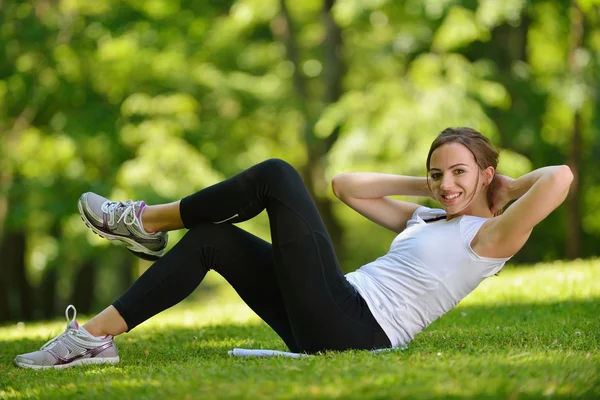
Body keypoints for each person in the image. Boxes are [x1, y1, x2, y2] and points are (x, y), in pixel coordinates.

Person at [14, 127, 573, 369]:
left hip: (358, 330)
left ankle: (142, 220)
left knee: (278, 176)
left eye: (459, 173)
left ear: (486, 175)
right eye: (438, 173)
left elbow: (561, 177)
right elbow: (346, 185)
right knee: (213, 239)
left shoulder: (491, 238)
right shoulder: (428, 213)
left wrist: (503, 188)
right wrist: (426, 184)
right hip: (329, 314)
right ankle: (91, 339)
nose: (446, 184)